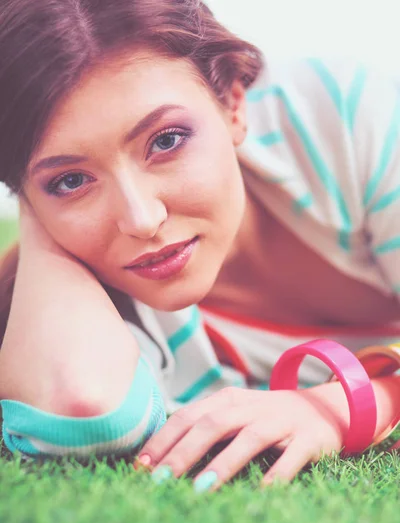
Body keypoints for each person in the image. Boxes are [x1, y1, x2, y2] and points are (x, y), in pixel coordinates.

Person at [0, 0, 399, 492]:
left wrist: (340, 406)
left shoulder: (343, 117)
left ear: (233, 102)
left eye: (166, 141)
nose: (142, 220)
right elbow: (81, 405)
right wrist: (30, 192)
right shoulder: (93, 313)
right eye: (70, 180)